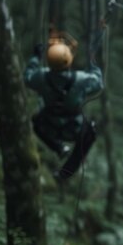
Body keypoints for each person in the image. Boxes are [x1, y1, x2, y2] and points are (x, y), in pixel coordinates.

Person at [24, 30, 102, 183]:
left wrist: (35, 57)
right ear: (69, 60)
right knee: (90, 134)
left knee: (35, 122)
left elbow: (27, 78)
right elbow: (98, 83)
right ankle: (65, 173)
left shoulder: (41, 76)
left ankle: (58, 148)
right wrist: (93, 63)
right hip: (74, 129)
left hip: (49, 127)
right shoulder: (81, 79)